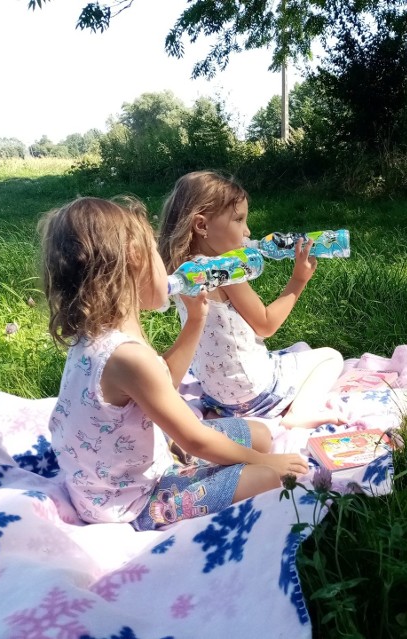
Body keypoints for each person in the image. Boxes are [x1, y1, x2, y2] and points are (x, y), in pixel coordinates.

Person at [39, 196, 309, 530]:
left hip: (135, 459)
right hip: (130, 500)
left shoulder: (98, 332)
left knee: (260, 434)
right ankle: (168, 500)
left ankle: (210, 462)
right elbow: (195, 438)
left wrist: (195, 320)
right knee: (267, 476)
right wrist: (269, 463)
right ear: (136, 259)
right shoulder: (127, 355)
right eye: (154, 250)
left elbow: (161, 383)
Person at [158, 171, 344, 429]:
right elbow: (266, 325)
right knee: (330, 357)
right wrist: (298, 280)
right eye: (239, 219)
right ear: (202, 226)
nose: (247, 231)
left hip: (216, 394)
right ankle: (299, 414)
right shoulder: (222, 272)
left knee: (297, 349)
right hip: (253, 391)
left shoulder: (183, 269)